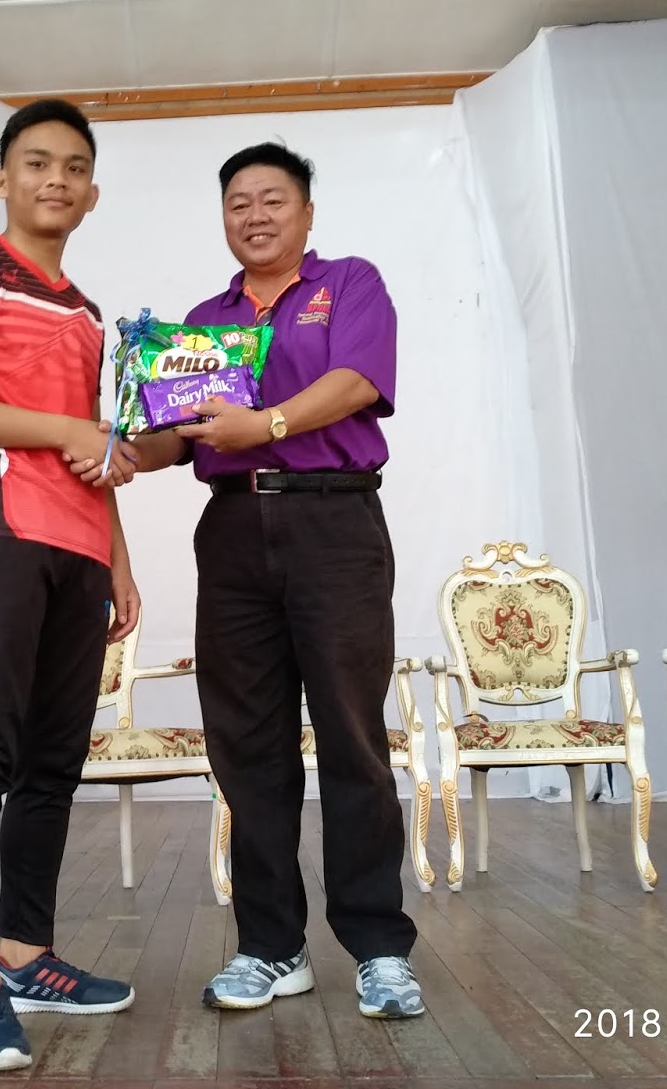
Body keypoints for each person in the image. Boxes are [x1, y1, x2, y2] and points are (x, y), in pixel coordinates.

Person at [73, 142, 423, 1019]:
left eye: (273, 199)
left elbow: (356, 382)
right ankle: (272, 947)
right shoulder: (203, 322)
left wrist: (264, 425)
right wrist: (119, 445)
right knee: (247, 744)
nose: (255, 216)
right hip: (232, 533)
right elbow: (179, 436)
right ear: (223, 218)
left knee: (351, 735)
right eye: (239, 203)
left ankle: (380, 948)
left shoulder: (349, 284)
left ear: (306, 212)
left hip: (335, 522)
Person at [0, 98, 142, 1073]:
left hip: (79, 555)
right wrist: (70, 432)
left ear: (92, 193)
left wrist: (119, 561)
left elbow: (98, 449)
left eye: (74, 167)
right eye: (37, 162)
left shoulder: (90, 313)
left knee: (52, 765)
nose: (57, 178)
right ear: (3, 180)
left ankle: (24, 956)